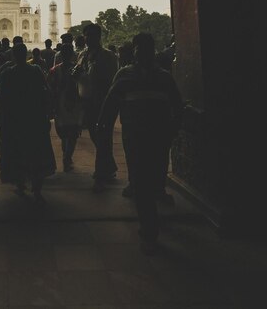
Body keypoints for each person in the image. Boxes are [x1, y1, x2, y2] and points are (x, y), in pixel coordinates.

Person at [98, 33, 183, 254]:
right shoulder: (125, 75)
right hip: (136, 135)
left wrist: (173, 129)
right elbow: (110, 103)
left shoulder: (164, 77)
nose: (142, 52)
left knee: (155, 176)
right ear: (134, 51)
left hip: (158, 136)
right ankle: (150, 227)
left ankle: (152, 211)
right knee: (141, 180)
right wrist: (104, 124)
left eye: (146, 47)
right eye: (139, 47)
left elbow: (178, 105)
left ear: (152, 50)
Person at [0, 43, 56, 202]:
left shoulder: (8, 73)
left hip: (15, 119)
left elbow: (2, 97)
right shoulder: (35, 70)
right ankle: (37, 189)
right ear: (26, 54)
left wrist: (1, 119)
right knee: (36, 152)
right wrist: (47, 114)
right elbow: (46, 92)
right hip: (34, 117)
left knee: (17, 151)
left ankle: (20, 185)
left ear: (13, 56)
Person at [72, 23, 118, 192]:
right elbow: (77, 73)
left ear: (98, 37)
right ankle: (109, 166)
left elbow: (113, 81)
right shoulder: (83, 55)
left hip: (102, 101)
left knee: (102, 135)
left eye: (91, 35)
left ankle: (101, 171)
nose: (88, 38)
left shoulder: (108, 56)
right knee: (95, 135)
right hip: (87, 101)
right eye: (86, 35)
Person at [48, 43, 84, 172]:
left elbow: (83, 86)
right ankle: (67, 156)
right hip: (64, 104)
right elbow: (51, 89)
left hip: (72, 104)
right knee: (65, 133)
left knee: (72, 133)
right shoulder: (55, 70)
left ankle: (67, 157)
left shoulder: (77, 69)